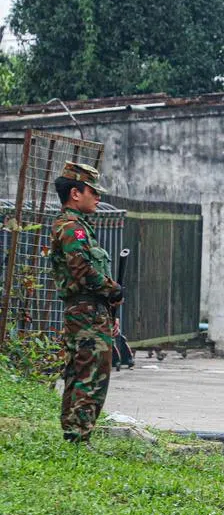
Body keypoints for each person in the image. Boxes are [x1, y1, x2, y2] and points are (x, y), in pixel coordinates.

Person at [49, 162, 123, 444]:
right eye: (94, 191)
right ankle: (78, 437)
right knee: (91, 375)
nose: (98, 198)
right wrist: (112, 288)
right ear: (75, 193)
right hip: (86, 311)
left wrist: (110, 304)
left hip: (92, 309)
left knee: (82, 372)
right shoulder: (71, 228)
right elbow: (82, 270)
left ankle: (74, 434)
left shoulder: (78, 227)